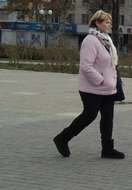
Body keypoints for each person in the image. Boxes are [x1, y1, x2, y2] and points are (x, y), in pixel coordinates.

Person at [53, 10, 125, 159]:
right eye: (106, 22)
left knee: (107, 118)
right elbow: (86, 66)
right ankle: (62, 138)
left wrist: (110, 82)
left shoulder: (106, 40)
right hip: (92, 88)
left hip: (107, 89)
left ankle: (107, 149)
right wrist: (101, 80)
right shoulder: (91, 41)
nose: (109, 25)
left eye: (109, 22)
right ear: (97, 23)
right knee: (89, 116)